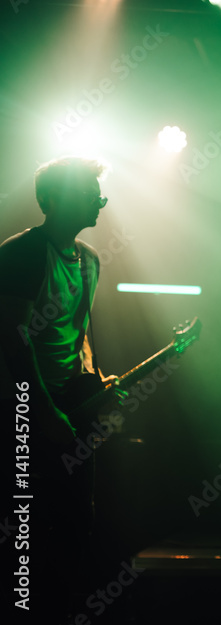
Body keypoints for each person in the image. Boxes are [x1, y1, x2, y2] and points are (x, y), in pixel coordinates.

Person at [0, 156, 114, 622]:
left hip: (64, 408)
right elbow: (13, 339)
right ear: (50, 200)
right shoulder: (21, 253)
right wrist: (43, 413)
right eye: (88, 190)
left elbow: (78, 333)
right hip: (19, 407)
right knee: (23, 528)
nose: (99, 199)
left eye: (97, 190)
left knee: (75, 524)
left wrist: (94, 384)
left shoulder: (90, 261)